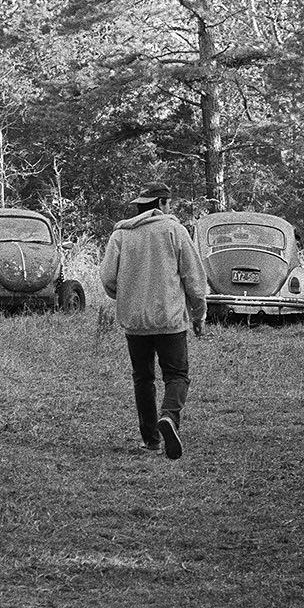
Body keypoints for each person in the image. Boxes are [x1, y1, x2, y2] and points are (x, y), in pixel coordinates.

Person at [99, 181, 208, 460]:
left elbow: (108, 279)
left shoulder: (121, 235)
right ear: (161, 204)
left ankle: (151, 440)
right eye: (169, 203)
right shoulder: (174, 231)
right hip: (170, 319)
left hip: (135, 322)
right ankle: (169, 416)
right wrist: (199, 314)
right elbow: (194, 279)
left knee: (143, 378)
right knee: (177, 375)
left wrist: (126, 294)